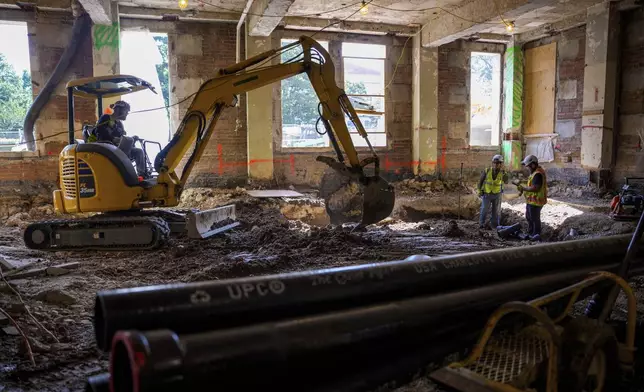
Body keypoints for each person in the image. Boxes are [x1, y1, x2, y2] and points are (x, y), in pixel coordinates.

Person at [93, 101, 148, 178]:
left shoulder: (119, 124)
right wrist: (113, 139)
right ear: (118, 109)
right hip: (107, 149)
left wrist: (132, 139)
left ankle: (142, 175)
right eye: (126, 111)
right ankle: (126, 174)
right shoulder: (106, 118)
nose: (127, 113)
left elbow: (121, 138)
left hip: (118, 149)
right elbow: (99, 131)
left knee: (138, 151)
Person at [517, 154, 547, 241]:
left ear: (533, 165)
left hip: (536, 202)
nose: (527, 168)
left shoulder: (538, 174)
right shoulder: (534, 172)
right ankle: (531, 233)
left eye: (528, 166)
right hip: (532, 201)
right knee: (529, 217)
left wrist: (524, 188)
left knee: (534, 218)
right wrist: (523, 182)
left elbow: (535, 188)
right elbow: (532, 182)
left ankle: (536, 235)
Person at [477, 154, 508, 229]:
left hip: (497, 194)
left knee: (496, 211)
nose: (495, 164)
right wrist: (479, 190)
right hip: (487, 193)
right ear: (492, 163)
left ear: (501, 164)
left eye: (498, 163)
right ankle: (481, 224)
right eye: (494, 163)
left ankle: (495, 225)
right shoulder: (487, 171)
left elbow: (506, 181)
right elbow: (480, 182)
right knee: (484, 209)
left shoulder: (502, 173)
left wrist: (504, 173)